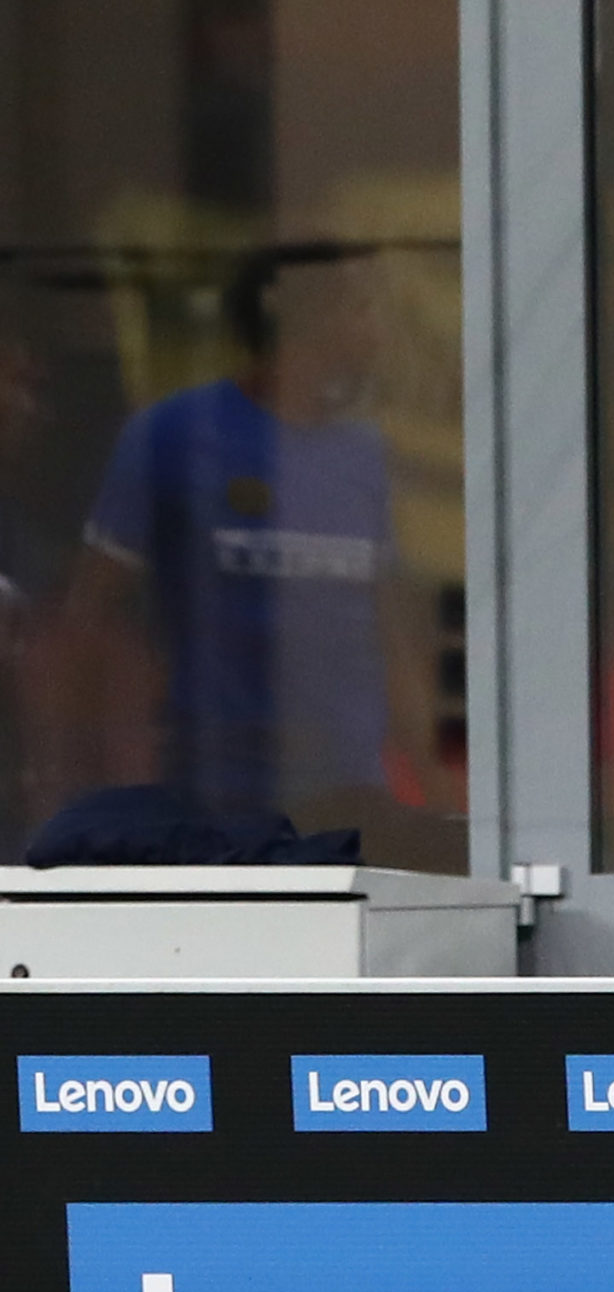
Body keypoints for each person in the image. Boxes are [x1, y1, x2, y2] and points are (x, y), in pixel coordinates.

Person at [43, 251, 459, 858]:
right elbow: (89, 618)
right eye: (363, 310)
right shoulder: (172, 434)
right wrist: (71, 780)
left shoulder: (365, 457)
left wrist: (434, 787)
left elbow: (389, 637)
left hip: (348, 794)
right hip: (213, 797)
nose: (378, 335)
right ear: (310, 318)